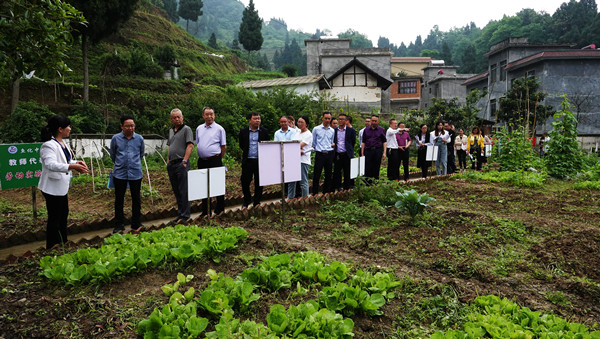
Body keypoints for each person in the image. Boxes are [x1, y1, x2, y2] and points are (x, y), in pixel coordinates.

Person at [38, 116, 88, 248]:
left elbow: (64, 161)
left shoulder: (61, 143)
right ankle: (52, 245)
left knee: (63, 215)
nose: (70, 129)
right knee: (55, 217)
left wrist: (75, 163)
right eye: (68, 127)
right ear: (60, 129)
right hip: (51, 187)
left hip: (61, 187)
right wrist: (72, 167)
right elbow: (51, 164)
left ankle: (63, 242)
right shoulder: (48, 145)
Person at [110, 115, 145, 233]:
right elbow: (113, 155)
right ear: (121, 126)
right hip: (120, 173)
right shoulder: (115, 138)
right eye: (127, 126)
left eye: (132, 126)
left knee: (136, 199)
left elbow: (141, 154)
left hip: (135, 172)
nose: (130, 128)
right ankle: (119, 224)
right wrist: (121, 163)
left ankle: (136, 223)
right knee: (119, 199)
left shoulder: (139, 139)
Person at [195, 107, 227, 216]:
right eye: (207, 114)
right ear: (203, 116)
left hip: (215, 160)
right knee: (203, 186)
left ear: (214, 115)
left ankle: (219, 210)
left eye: (211, 114)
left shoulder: (219, 129)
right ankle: (205, 211)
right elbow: (198, 143)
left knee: (217, 185)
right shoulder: (199, 128)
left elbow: (223, 146)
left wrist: (218, 158)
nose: (209, 116)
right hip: (202, 161)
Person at [166, 108, 194, 224]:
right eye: (174, 117)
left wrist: (184, 161)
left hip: (181, 163)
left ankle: (185, 215)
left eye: (179, 117)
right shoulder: (171, 131)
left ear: (182, 117)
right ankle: (180, 214)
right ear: (171, 119)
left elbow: (190, 146)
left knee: (184, 190)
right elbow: (170, 147)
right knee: (176, 191)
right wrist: (168, 162)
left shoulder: (187, 129)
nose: (177, 119)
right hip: (172, 164)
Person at [239, 112, 270, 207]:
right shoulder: (243, 131)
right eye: (255, 118)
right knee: (245, 181)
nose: (258, 120)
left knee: (259, 182)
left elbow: (267, 144)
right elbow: (241, 145)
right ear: (249, 120)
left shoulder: (264, 131)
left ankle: (257, 201)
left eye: (259, 119)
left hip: (260, 161)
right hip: (247, 160)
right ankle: (247, 200)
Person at [288, 116, 312, 198]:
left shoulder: (308, 134)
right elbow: (292, 145)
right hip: (294, 159)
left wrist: (298, 147)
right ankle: (290, 198)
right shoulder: (297, 133)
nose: (299, 124)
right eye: (298, 122)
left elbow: (299, 145)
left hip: (303, 160)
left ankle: (305, 198)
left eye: (302, 122)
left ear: (306, 124)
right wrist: (298, 149)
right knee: (291, 180)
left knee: (303, 181)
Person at [312, 112, 335, 194]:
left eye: (329, 119)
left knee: (328, 175)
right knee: (316, 175)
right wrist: (318, 149)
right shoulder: (316, 129)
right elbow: (313, 142)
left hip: (329, 154)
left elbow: (332, 141)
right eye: (326, 118)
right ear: (322, 118)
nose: (327, 120)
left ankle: (326, 193)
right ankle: (315, 193)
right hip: (320, 154)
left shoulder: (332, 130)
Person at [332, 114, 356, 191]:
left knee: (347, 171)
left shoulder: (351, 130)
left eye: (342, 119)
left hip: (347, 154)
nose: (340, 121)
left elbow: (353, 142)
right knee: (337, 171)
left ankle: (347, 187)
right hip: (338, 153)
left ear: (346, 121)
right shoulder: (334, 130)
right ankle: (338, 187)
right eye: (339, 119)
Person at [361, 115, 387, 181]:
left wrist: (384, 152)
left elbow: (384, 142)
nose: (374, 122)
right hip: (368, 150)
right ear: (370, 121)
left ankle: (375, 182)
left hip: (377, 150)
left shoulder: (381, 130)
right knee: (367, 167)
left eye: (375, 121)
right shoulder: (366, 130)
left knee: (376, 166)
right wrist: (362, 152)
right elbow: (363, 141)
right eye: (372, 121)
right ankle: (368, 183)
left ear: (378, 121)